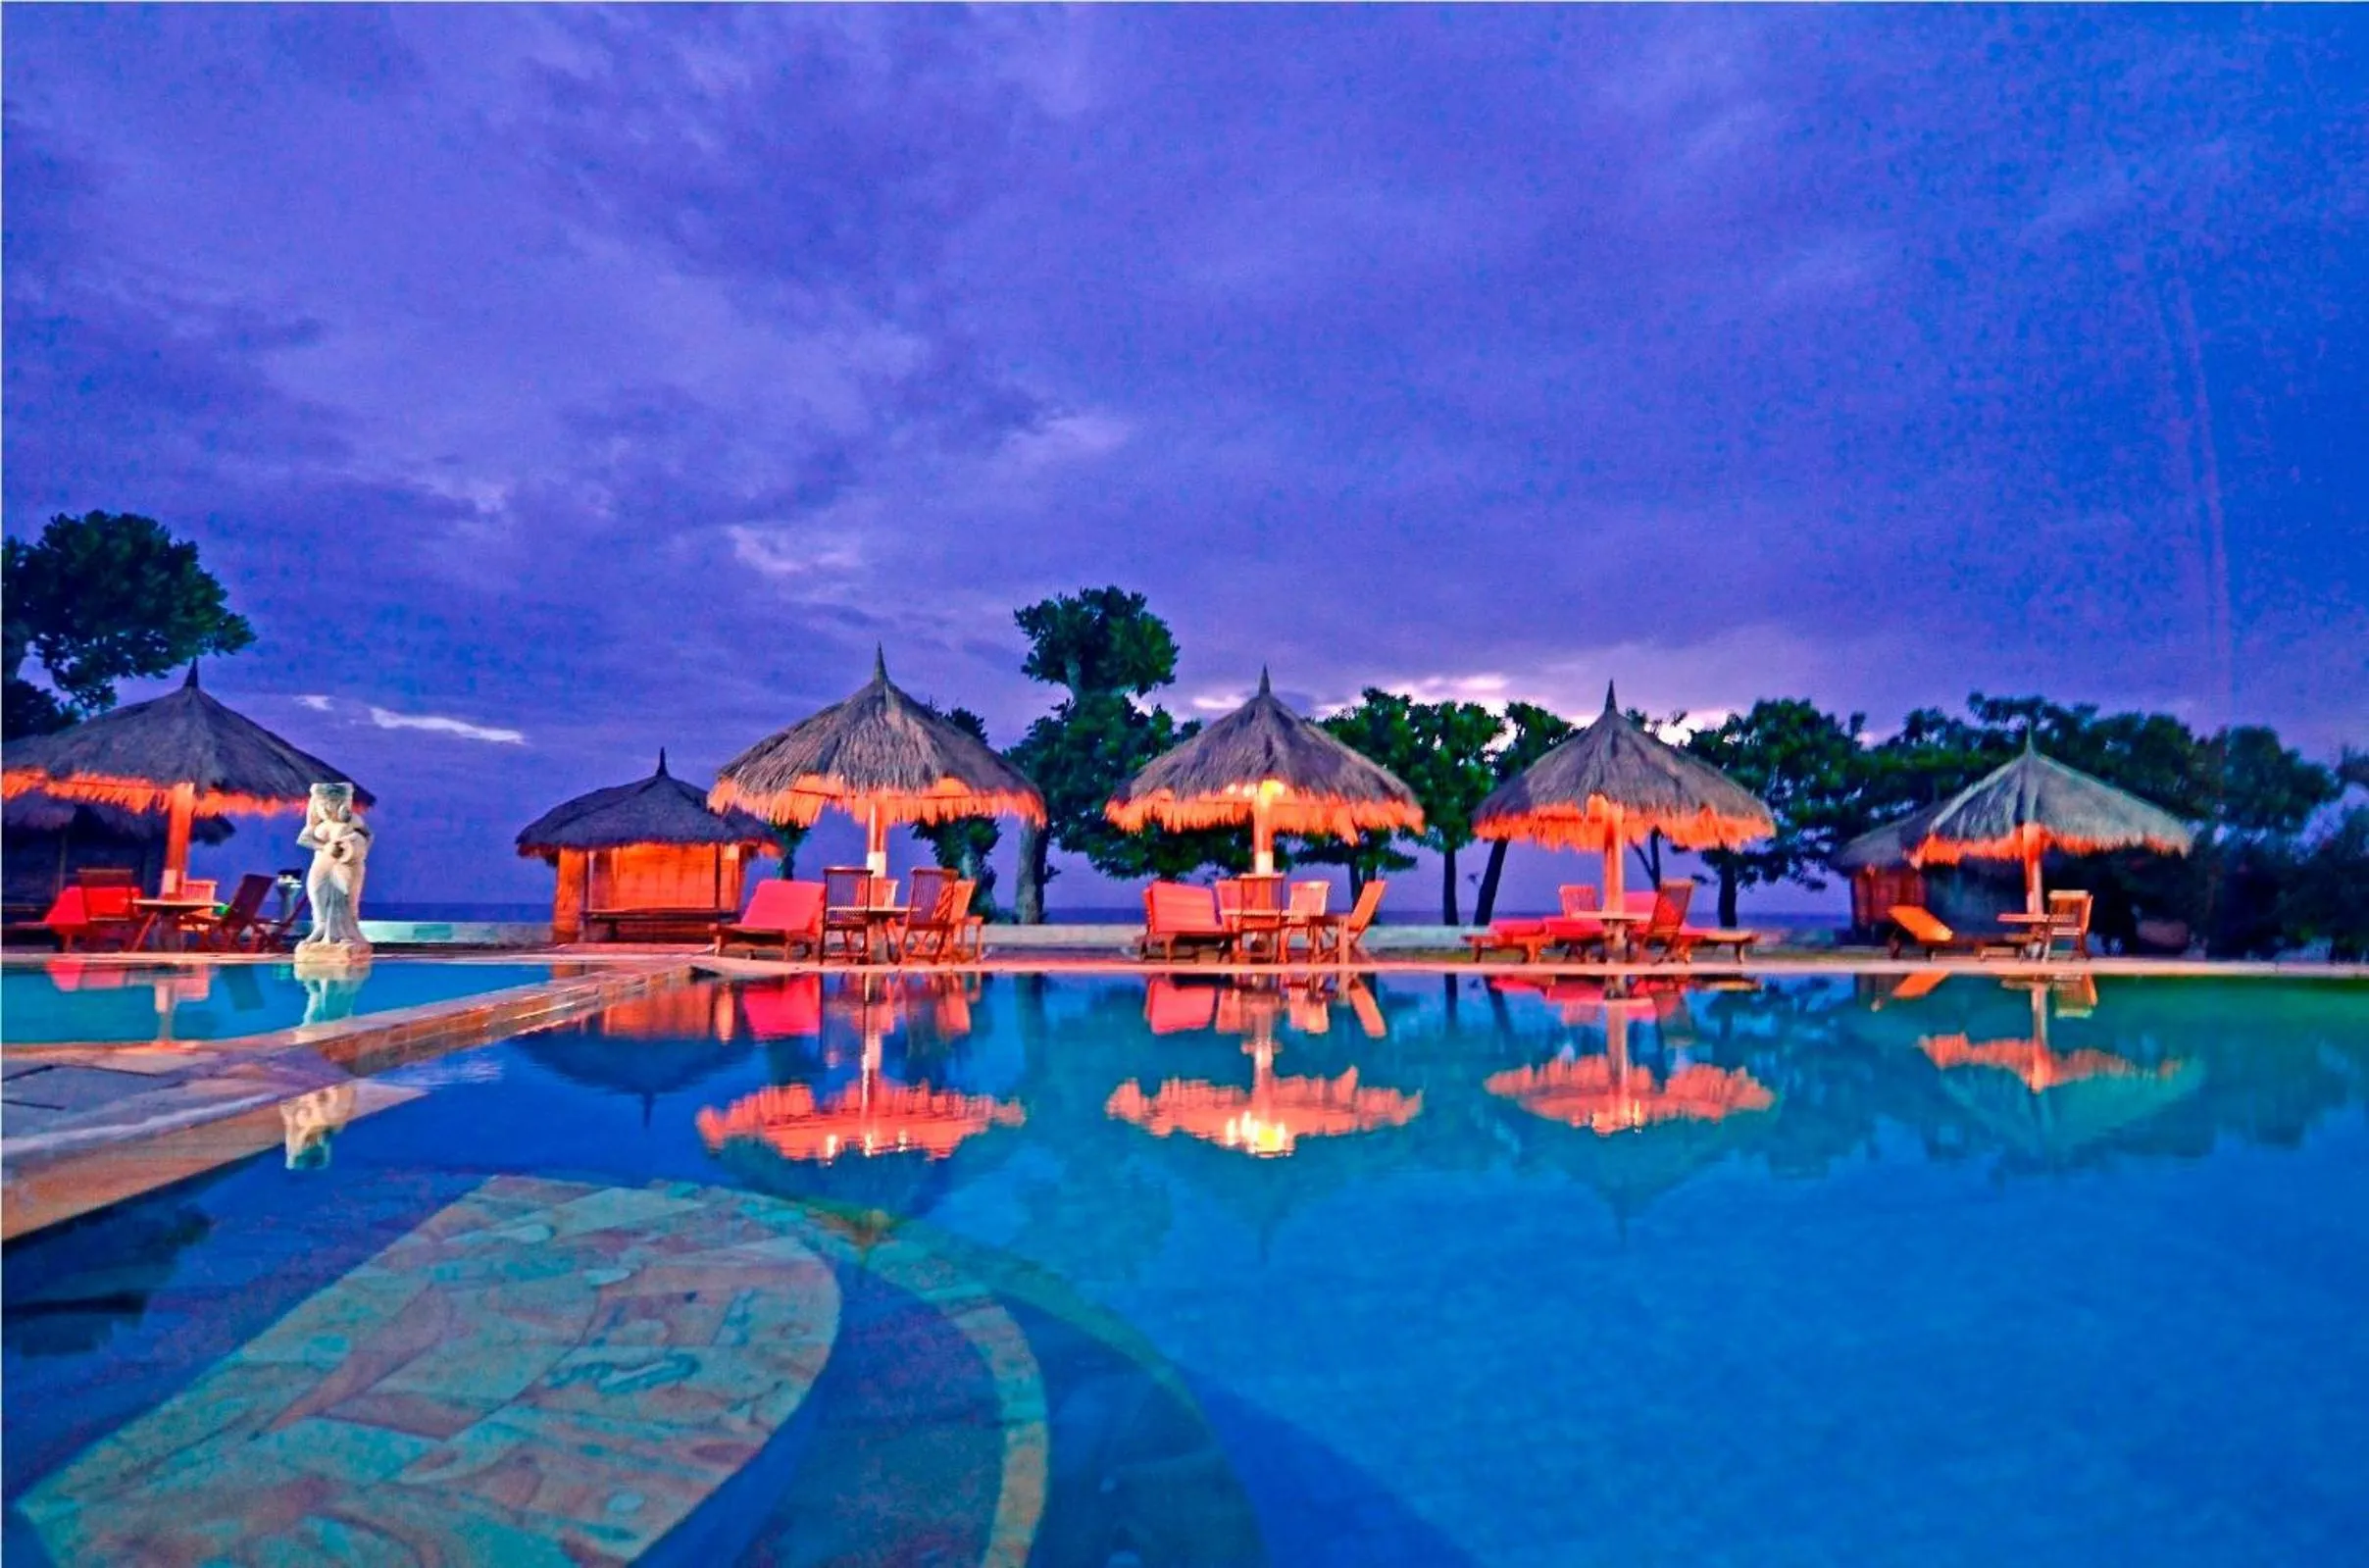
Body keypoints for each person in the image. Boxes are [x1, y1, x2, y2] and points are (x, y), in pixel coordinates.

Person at [296, 782, 373, 951]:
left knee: (346, 898)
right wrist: (325, 847)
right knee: (317, 894)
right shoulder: (316, 825)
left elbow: (368, 836)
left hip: (345, 865)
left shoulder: (353, 820)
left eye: (332, 804)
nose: (327, 809)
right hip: (321, 864)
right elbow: (303, 839)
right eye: (323, 805)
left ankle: (346, 933)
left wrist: (356, 849)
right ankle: (321, 928)